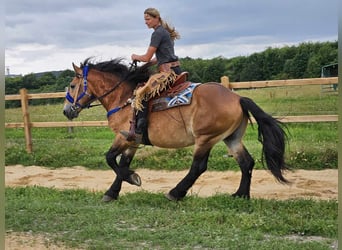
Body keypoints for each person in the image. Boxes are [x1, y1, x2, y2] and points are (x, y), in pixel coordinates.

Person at [121, 7, 182, 144]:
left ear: (156, 18)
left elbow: (148, 57)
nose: (146, 22)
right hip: (175, 69)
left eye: (148, 19)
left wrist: (135, 56)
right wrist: (147, 63)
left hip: (167, 73)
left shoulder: (157, 34)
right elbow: (159, 58)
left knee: (141, 94)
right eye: (145, 20)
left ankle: (139, 132)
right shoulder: (164, 32)